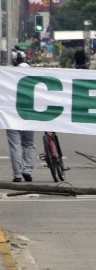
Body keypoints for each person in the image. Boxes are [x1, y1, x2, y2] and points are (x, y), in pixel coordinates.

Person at [7, 52, 36, 182]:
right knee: (29, 144)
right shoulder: (35, 85)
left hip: (11, 118)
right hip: (29, 118)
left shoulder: (8, 83)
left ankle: (17, 174)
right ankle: (27, 170)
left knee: (15, 146)